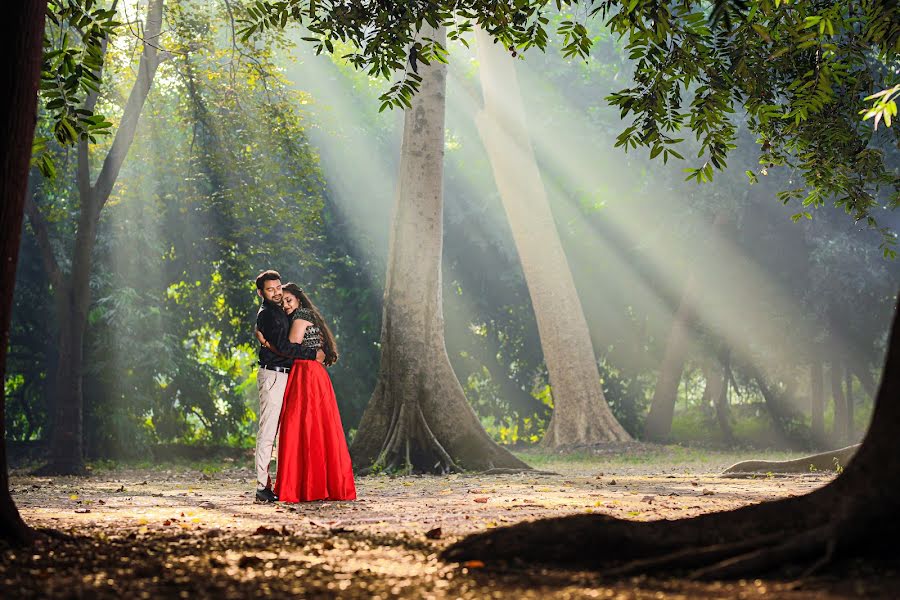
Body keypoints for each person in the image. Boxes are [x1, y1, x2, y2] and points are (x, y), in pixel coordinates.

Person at [272, 283, 356, 502]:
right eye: (282, 302)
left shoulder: (301, 315)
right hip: (309, 373)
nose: (286, 305)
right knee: (313, 427)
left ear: (299, 300)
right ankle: (313, 486)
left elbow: (290, 346)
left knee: (303, 426)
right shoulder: (304, 316)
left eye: (289, 299)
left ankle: (306, 487)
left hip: (306, 373)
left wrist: (269, 344)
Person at [253, 270, 324, 503]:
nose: (276, 292)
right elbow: (284, 346)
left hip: (288, 376)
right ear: (260, 292)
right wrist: (312, 354)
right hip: (273, 375)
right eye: (270, 289)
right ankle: (262, 487)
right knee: (268, 431)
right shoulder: (268, 315)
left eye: (278, 287)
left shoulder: (280, 311)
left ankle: (291, 482)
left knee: (288, 431)